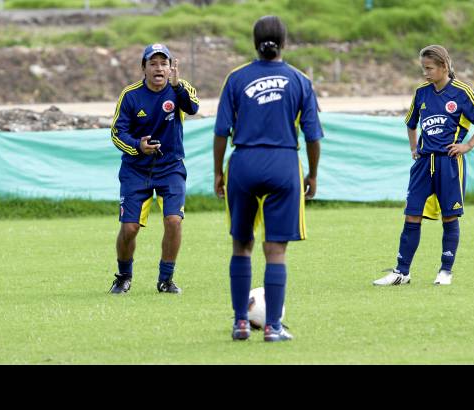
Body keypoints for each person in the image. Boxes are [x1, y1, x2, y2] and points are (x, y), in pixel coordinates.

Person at [214, 16, 323, 342]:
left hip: (243, 163)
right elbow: (313, 136)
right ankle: (273, 327)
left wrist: (218, 172)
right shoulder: (300, 80)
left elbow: (221, 132)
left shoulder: (236, 78)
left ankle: (240, 323)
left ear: (254, 42)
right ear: (284, 42)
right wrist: (312, 173)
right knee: (275, 250)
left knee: (241, 245)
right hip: (283, 163)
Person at [373, 45, 474, 286]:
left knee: (449, 217)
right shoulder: (421, 92)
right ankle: (402, 272)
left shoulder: (462, 92)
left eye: (429, 68)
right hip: (424, 163)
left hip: (450, 163)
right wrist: (414, 148)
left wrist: (468, 145)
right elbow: (411, 123)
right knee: (412, 215)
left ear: (444, 66)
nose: (425, 73)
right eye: (423, 68)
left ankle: (445, 271)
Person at [109, 43, 199, 294]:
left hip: (171, 168)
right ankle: (123, 277)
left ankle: (166, 280)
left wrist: (178, 87)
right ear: (144, 68)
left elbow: (193, 107)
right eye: (153, 63)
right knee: (129, 228)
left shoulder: (180, 88)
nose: (159, 68)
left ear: (171, 67)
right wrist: (138, 146)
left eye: (164, 63)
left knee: (174, 220)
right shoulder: (130, 95)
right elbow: (117, 133)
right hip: (136, 170)